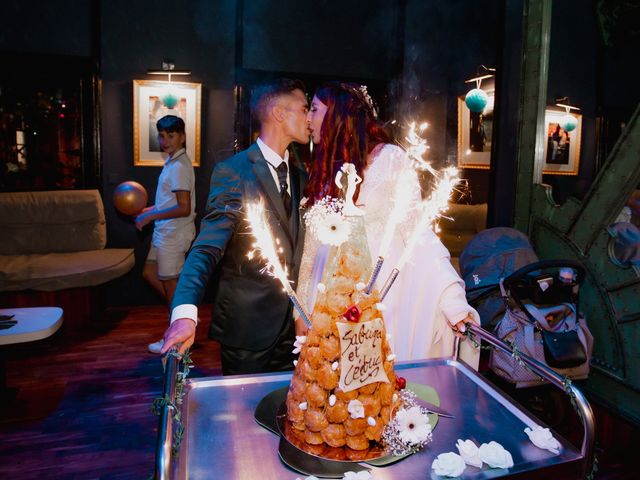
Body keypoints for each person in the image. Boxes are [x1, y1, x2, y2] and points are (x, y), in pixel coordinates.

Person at [298, 82, 480, 366]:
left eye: (314, 109)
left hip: (378, 302)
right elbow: (311, 251)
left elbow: (417, 232)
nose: (308, 118)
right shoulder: (323, 170)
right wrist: (301, 311)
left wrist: (451, 298)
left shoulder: (391, 160)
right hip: (328, 300)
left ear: (338, 113)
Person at [160, 79, 310, 375]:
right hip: (247, 330)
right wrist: (184, 313)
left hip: (292, 330)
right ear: (280, 113)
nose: (310, 118)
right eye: (304, 109)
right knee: (243, 414)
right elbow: (206, 247)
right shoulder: (234, 171)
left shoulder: (300, 173)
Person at [134, 115, 196, 354]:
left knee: (172, 288)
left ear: (181, 137)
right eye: (161, 135)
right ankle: (183, 311)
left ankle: (177, 337)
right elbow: (170, 202)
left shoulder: (180, 166)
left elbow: (183, 207)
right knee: (149, 273)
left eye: (171, 135)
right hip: (163, 232)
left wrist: (149, 216)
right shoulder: (172, 162)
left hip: (174, 235)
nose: (165, 140)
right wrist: (147, 210)